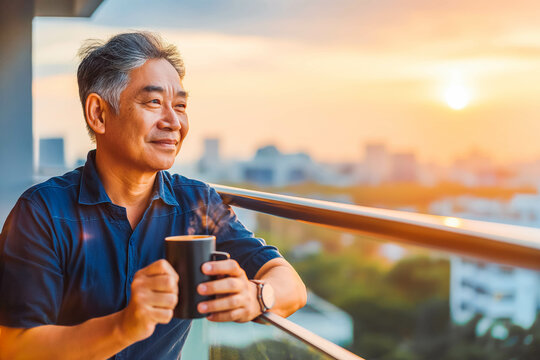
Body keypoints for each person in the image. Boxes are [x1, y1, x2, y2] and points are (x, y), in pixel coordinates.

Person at [0, 32, 307, 359]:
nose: (174, 122)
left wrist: (256, 296)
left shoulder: (196, 204)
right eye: (154, 102)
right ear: (99, 114)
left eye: (180, 106)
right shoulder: (44, 212)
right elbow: (15, 347)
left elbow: (291, 285)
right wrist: (124, 326)